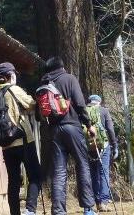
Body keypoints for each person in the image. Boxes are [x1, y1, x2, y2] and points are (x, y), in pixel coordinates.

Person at [37, 56, 96, 215]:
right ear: (62, 66)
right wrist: (89, 125)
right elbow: (80, 103)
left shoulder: (44, 84)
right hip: (72, 127)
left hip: (54, 131)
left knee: (59, 171)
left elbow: (39, 114)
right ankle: (88, 208)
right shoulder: (69, 78)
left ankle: (58, 211)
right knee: (82, 164)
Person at [0, 62, 42, 215]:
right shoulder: (14, 89)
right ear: (10, 75)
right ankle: (30, 210)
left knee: (13, 180)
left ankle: (15, 213)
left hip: (6, 145)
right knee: (35, 175)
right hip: (23, 140)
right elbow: (32, 105)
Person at [87, 94, 118, 208]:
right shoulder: (104, 111)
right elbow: (110, 129)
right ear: (99, 102)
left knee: (93, 174)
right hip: (103, 146)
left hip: (88, 147)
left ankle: (96, 200)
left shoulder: (84, 111)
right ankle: (104, 202)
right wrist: (114, 145)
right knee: (103, 172)